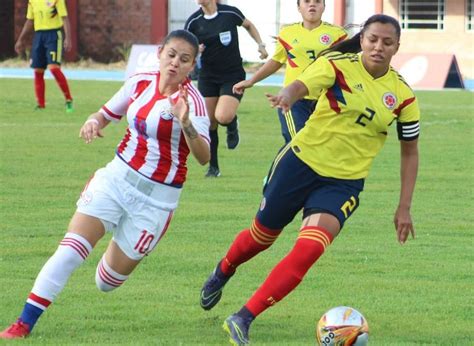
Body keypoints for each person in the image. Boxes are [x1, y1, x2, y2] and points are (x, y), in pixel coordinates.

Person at [199, 14, 420, 345]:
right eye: (373, 39)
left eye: (387, 42)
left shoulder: (402, 95)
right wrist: (288, 95)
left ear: (397, 47)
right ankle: (224, 270)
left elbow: (409, 151)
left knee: (308, 250)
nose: (378, 47)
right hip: (299, 164)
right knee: (261, 237)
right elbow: (301, 84)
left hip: (343, 184)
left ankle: (243, 318)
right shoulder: (338, 65)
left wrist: (404, 207)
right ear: (362, 40)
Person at [0, 30, 210, 339]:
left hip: (156, 202)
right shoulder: (140, 81)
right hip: (115, 180)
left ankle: (114, 245)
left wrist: (186, 123)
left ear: (192, 65)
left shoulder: (194, 102)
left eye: (184, 59)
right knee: (71, 250)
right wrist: (93, 122)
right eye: (171, 54)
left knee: (107, 283)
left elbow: (204, 157)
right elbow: (104, 113)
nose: (175, 63)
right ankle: (24, 322)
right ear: (160, 53)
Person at [233, 0, 347, 144]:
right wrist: (251, 81)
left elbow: (347, 65)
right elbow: (276, 61)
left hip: (326, 99)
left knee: (322, 146)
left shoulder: (337, 34)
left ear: (324, 7)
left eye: (318, 2)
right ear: (299, 7)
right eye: (306, 2)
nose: (312, 5)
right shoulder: (287, 33)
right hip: (294, 99)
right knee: (297, 144)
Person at [185, 0, 269, 177]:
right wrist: (195, 51)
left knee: (222, 116)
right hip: (208, 77)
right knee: (210, 123)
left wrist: (260, 45)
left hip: (232, 75)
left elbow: (249, 25)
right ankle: (214, 168)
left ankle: (231, 124)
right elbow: (185, 48)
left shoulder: (230, 14)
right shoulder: (193, 22)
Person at [15, 0, 74, 112]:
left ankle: (68, 100)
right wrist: (20, 40)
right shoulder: (32, 1)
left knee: (54, 69)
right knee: (38, 71)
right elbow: (30, 20)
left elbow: (64, 18)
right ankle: (41, 105)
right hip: (39, 36)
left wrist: (68, 38)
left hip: (54, 35)